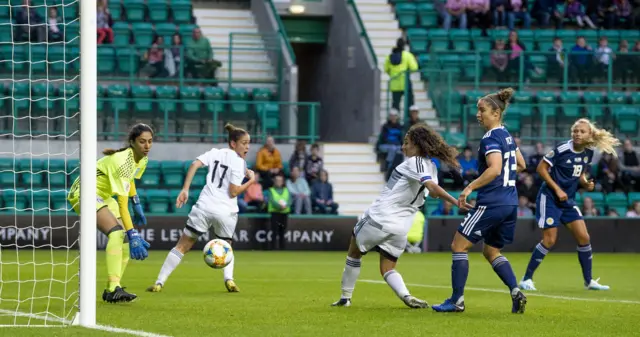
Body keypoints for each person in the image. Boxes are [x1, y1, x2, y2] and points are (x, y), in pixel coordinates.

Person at [331, 123, 469, 309]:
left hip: (379, 217)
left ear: (418, 145)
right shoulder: (432, 168)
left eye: (407, 143)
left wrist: (455, 201)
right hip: (401, 227)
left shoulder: (416, 162)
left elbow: (431, 188)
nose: (403, 147)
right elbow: (434, 192)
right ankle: (406, 296)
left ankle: (345, 298)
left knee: (354, 252)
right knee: (387, 268)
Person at [432, 88, 528, 314]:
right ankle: (516, 292)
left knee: (458, 245)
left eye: (482, 110)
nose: (478, 114)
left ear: (496, 112)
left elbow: (494, 169)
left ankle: (457, 300)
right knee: (491, 251)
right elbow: (521, 165)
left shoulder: (491, 137)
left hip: (492, 202)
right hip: (510, 203)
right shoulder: (506, 135)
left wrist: (469, 187)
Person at [146, 124, 256, 293]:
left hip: (204, 207)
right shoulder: (239, 162)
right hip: (225, 211)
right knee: (226, 245)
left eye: (249, 143)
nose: (247, 146)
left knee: (182, 246)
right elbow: (233, 192)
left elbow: (194, 165)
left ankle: (159, 282)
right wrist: (250, 181)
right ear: (233, 144)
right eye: (244, 143)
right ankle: (230, 280)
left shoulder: (214, 153)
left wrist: (185, 189)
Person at [519, 118, 620, 292]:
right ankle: (526, 279)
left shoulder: (588, 151)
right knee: (549, 240)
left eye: (582, 131)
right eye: (575, 131)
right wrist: (557, 189)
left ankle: (588, 282)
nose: (577, 134)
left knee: (584, 238)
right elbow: (541, 169)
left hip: (567, 200)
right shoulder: (563, 149)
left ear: (589, 135)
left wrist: (585, 182)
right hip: (550, 198)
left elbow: (579, 172)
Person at [67, 123, 153, 303]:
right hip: (84, 192)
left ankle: (112, 288)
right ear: (132, 142)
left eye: (150, 142)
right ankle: (114, 288)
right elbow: (122, 204)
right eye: (142, 142)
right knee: (117, 232)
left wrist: (135, 200)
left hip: (104, 196)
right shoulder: (121, 161)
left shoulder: (142, 159)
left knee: (125, 240)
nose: (147, 146)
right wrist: (133, 232)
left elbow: (130, 180)